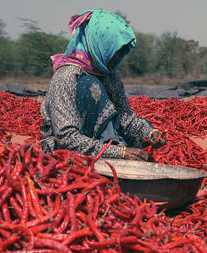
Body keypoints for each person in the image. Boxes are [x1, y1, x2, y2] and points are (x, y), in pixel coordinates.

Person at [40, 9, 166, 160]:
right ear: (98, 44)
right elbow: (66, 138)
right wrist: (119, 152)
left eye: (121, 51)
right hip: (68, 157)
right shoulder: (66, 78)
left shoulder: (109, 76)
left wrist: (150, 133)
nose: (117, 57)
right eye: (113, 49)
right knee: (88, 84)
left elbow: (125, 118)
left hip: (106, 149)